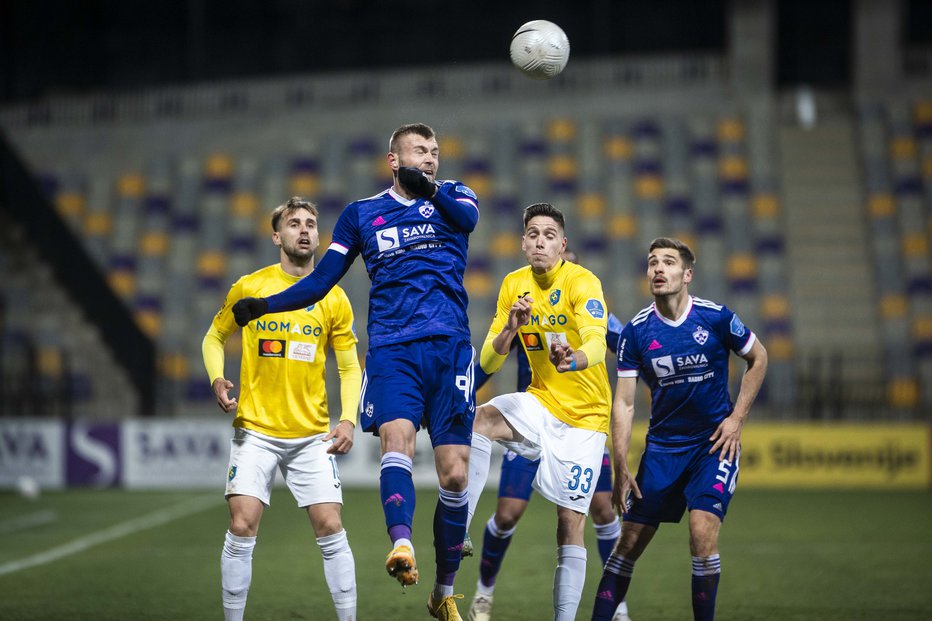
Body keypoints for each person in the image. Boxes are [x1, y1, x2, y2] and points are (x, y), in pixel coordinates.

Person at [231, 123, 480, 620]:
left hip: (451, 349)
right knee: (398, 442)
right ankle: (402, 544)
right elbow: (323, 279)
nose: (430, 159)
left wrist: (429, 185)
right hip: (392, 350)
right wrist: (265, 306)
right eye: (419, 152)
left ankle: (444, 591)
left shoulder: (454, 196)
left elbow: (468, 221)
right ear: (393, 159)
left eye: (434, 152)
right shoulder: (362, 215)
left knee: (455, 475)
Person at [589, 237, 768, 621]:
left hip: (713, 447)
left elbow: (759, 357)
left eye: (668, 262)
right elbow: (623, 402)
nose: (658, 268)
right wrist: (620, 465)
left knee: (702, 536)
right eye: (653, 262)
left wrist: (736, 419)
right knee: (628, 545)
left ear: (687, 274)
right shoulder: (637, 332)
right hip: (663, 451)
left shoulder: (716, 317)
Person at [202, 197, 361, 621]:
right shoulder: (250, 287)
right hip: (255, 430)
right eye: (294, 224)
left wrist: (348, 418)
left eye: (311, 223)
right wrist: (217, 377)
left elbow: (349, 366)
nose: (305, 230)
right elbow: (214, 337)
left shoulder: (333, 298)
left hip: (311, 434)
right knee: (241, 524)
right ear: (277, 235)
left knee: (330, 526)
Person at [464, 203, 612, 621]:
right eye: (533, 234)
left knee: (570, 524)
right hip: (541, 402)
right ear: (523, 242)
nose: (540, 240)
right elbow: (489, 364)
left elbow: (598, 343)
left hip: (584, 420)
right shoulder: (514, 285)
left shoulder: (583, 282)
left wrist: (575, 359)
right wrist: (510, 329)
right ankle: (461, 525)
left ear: (563, 245)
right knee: (481, 419)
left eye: (549, 234)